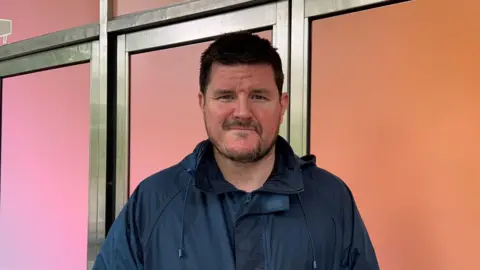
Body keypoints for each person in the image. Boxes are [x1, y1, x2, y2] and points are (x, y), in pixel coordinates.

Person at [93, 32, 379, 270]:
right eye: (226, 96)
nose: (242, 113)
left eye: (258, 96)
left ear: (282, 105)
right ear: (203, 103)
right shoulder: (153, 201)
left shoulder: (331, 199)